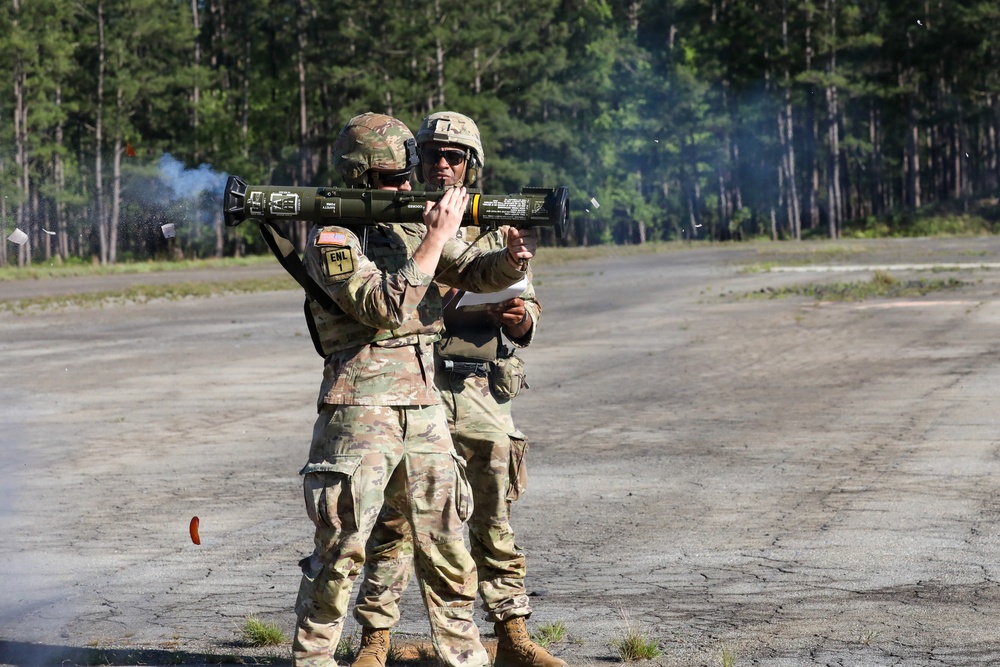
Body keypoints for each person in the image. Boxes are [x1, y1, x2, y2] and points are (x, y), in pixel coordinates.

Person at [292, 112, 536, 667]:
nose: (407, 186)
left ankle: (466, 658)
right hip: (360, 407)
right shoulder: (332, 237)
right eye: (392, 179)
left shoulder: (406, 227)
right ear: (359, 178)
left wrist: (511, 258)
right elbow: (383, 306)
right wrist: (434, 237)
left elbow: (474, 270)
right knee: (344, 547)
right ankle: (315, 659)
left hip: (423, 404)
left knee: (448, 540)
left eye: (408, 175)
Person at [352, 112, 565, 667]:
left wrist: (517, 315)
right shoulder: (392, 222)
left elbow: (529, 310)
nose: (442, 167)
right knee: (395, 516)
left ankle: (513, 636)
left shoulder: (496, 226)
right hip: (415, 382)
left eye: (455, 157)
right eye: (432, 157)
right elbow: (386, 306)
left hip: (480, 390)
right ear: (414, 162)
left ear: (473, 165)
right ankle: (375, 639)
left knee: (493, 515)